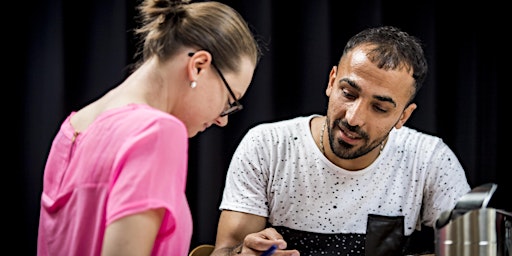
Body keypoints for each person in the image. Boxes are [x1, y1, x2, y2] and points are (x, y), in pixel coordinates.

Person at [212, 25, 471, 256]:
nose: (354, 118)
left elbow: (470, 247)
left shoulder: (429, 159)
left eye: (379, 108)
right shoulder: (268, 146)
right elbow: (224, 250)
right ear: (331, 81)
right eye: (348, 93)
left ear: (403, 116)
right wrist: (241, 253)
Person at [36, 0, 261, 255]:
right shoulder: (157, 132)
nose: (223, 119)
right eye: (229, 101)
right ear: (198, 66)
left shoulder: (72, 128)